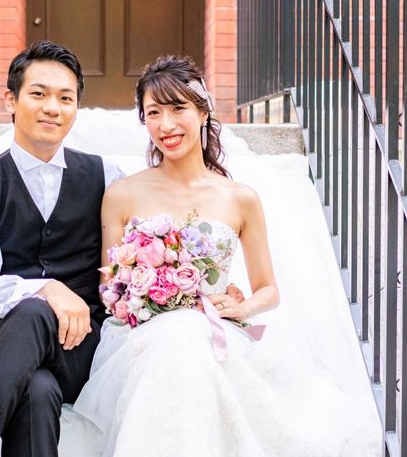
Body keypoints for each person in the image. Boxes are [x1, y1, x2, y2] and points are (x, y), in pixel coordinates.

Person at [59, 54, 382, 456]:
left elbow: (268, 289)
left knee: (190, 341)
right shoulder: (122, 193)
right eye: (153, 113)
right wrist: (145, 296)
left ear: (202, 112)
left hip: (214, 331)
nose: (166, 125)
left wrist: (239, 308)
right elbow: (109, 287)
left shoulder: (240, 198)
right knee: (177, 340)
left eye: (178, 108)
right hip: (141, 338)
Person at [0, 40, 124, 456]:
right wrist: (46, 288)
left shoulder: (107, 176)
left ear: (76, 108)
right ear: (11, 101)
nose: (53, 107)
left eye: (65, 98)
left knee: (34, 313)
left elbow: (130, 264)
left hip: (81, 348)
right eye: (39, 93)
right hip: (3, 344)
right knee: (36, 389)